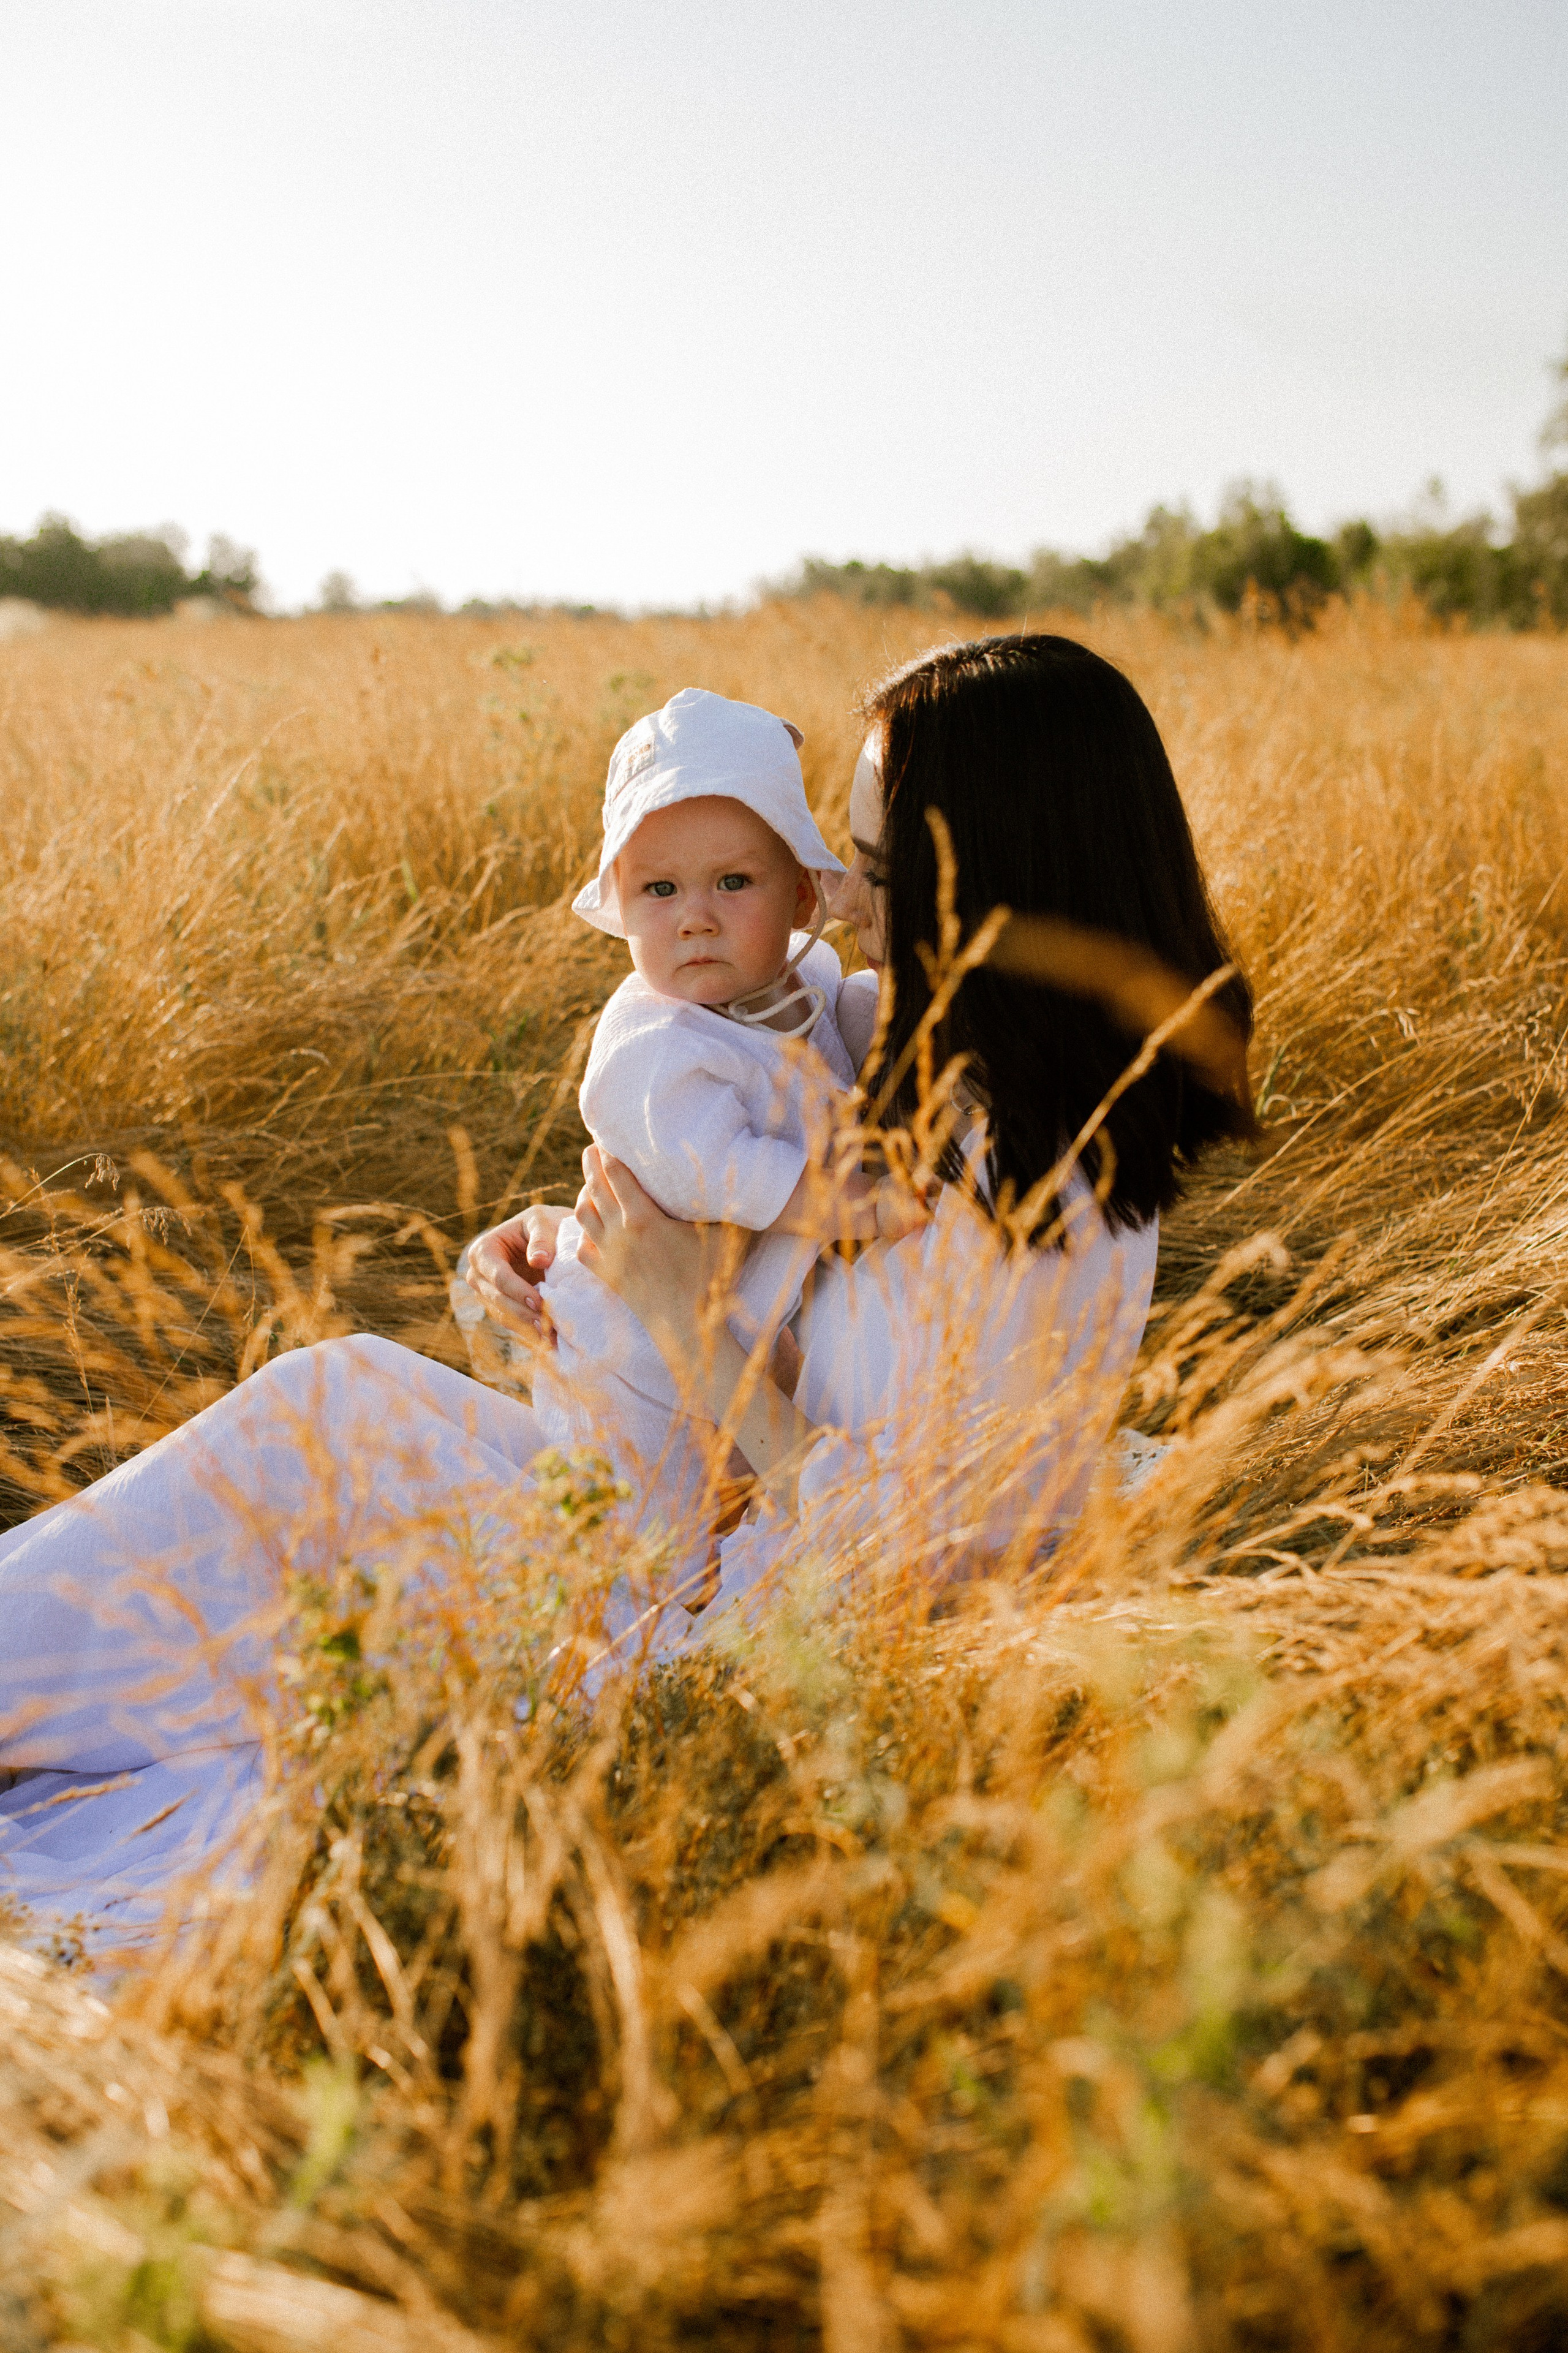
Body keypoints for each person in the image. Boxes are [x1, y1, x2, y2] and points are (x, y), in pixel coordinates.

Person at [0, 633, 1250, 1948]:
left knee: (312, 1482)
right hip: (675, 1507)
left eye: (874, 872)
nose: (838, 901)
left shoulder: (1039, 1203)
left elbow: (870, 1561)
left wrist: (672, 1312)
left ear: (984, 883)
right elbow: (752, 1208)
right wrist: (560, 1239)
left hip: (714, 1621)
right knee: (328, 1403)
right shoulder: (920, 1042)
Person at [467, 688, 923, 1542]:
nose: (696, 918)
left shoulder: (807, 982)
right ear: (622, 906)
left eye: (734, 881)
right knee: (642, 1520)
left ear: (799, 898)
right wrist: (827, 1202)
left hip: (721, 1345)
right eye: (661, 889)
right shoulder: (652, 1038)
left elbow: (851, 1029)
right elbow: (702, 1162)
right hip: (628, 1357)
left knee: (712, 1504)